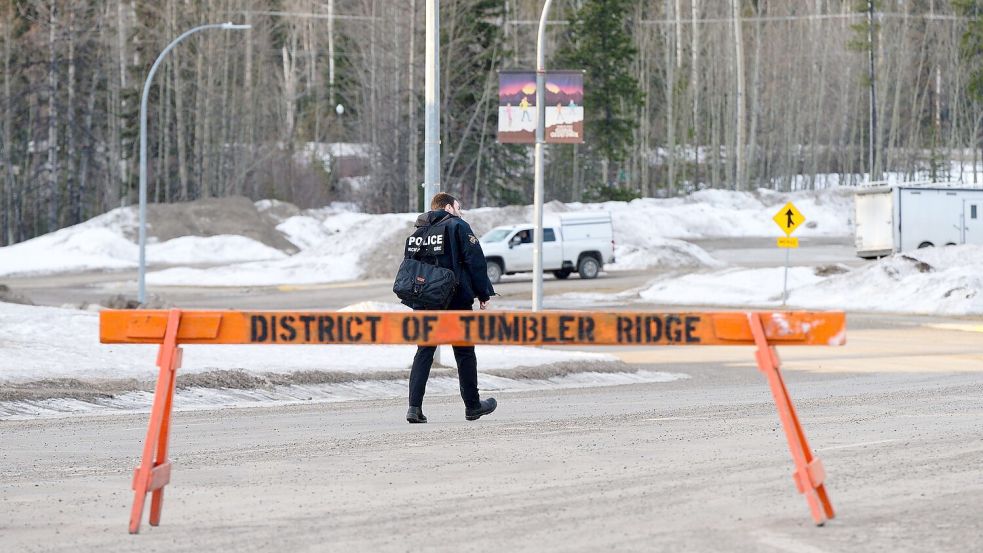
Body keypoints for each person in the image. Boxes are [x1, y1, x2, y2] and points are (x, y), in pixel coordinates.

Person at [405, 192, 497, 424]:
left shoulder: (418, 232)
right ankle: (473, 406)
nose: (460, 210)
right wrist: (483, 292)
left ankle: (414, 408)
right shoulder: (458, 226)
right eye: (458, 206)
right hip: (455, 299)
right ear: (448, 208)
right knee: (464, 351)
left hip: (424, 300)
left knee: (424, 351)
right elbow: (475, 260)